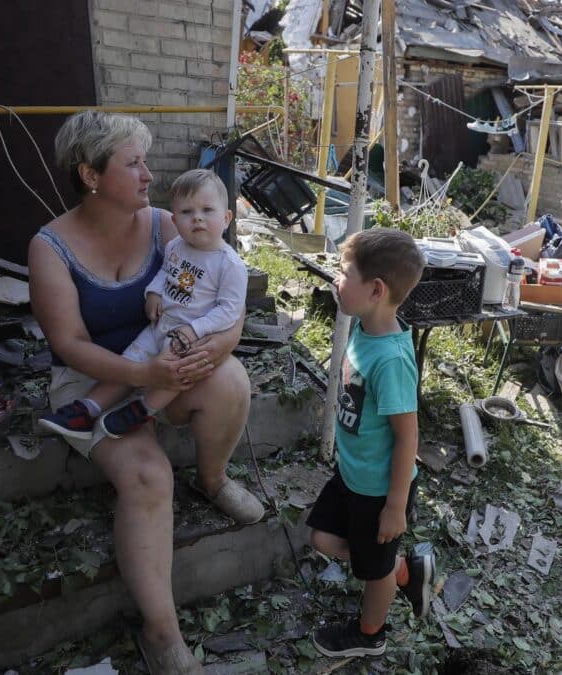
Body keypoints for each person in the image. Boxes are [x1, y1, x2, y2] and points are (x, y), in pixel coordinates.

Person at [28, 110, 263, 675]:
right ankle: (161, 634)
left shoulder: (167, 224)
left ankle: (212, 479)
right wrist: (145, 377)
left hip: (167, 360)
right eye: (133, 163)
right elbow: (70, 342)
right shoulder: (49, 247)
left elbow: (229, 311)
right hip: (92, 379)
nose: (148, 174)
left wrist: (212, 348)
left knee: (231, 377)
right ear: (90, 174)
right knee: (149, 476)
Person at [37, 169, 246, 441]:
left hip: (190, 338)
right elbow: (165, 274)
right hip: (159, 326)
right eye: (186, 212)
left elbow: (229, 310)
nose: (197, 218)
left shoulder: (229, 264)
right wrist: (154, 293)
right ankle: (86, 409)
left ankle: (142, 410)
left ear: (227, 217)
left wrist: (195, 330)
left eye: (207, 210)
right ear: (175, 219)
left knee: (177, 372)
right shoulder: (176, 247)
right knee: (130, 360)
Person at [306, 228, 436, 658]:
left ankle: (370, 635)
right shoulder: (364, 326)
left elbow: (406, 437)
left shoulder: (392, 361)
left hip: (379, 493)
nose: (335, 281)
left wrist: (395, 507)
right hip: (352, 476)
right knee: (322, 539)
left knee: (371, 572)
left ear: (376, 290)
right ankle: (399, 570)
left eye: (344, 274)